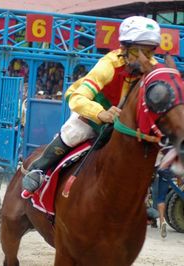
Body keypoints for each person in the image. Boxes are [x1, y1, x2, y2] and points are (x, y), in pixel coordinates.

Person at [22, 16, 162, 192]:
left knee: (156, 153)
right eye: (136, 51)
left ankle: (144, 197)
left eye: (149, 52)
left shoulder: (155, 68)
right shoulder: (108, 64)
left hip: (128, 123)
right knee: (74, 132)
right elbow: (77, 97)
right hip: (96, 113)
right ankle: (39, 169)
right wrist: (100, 113)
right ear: (123, 48)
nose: (143, 59)